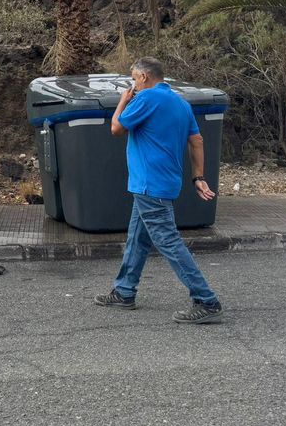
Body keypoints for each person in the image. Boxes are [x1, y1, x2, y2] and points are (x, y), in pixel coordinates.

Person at [95, 57, 224, 324]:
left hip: (148, 183)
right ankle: (124, 291)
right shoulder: (181, 102)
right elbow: (197, 140)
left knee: (167, 240)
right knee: (138, 237)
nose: (133, 84)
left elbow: (116, 128)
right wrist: (198, 177)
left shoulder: (146, 98)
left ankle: (206, 300)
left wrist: (123, 100)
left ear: (144, 77)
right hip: (166, 181)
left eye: (133, 79)